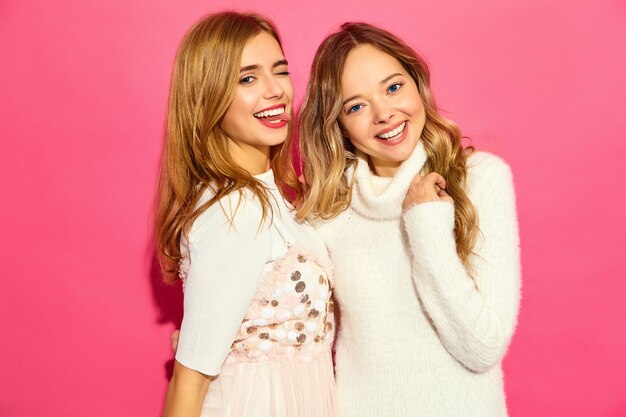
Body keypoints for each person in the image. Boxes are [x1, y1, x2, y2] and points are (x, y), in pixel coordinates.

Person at [290, 22, 521, 417]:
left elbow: (482, 348)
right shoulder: (329, 211)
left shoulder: (481, 180)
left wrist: (426, 224)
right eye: (356, 106)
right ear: (339, 125)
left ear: (417, 84)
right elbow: (295, 320)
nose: (384, 114)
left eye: (393, 87)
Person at [156, 12, 338, 417]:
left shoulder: (270, 195)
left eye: (280, 71)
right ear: (208, 97)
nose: (276, 91)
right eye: (248, 79)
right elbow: (192, 377)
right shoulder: (234, 210)